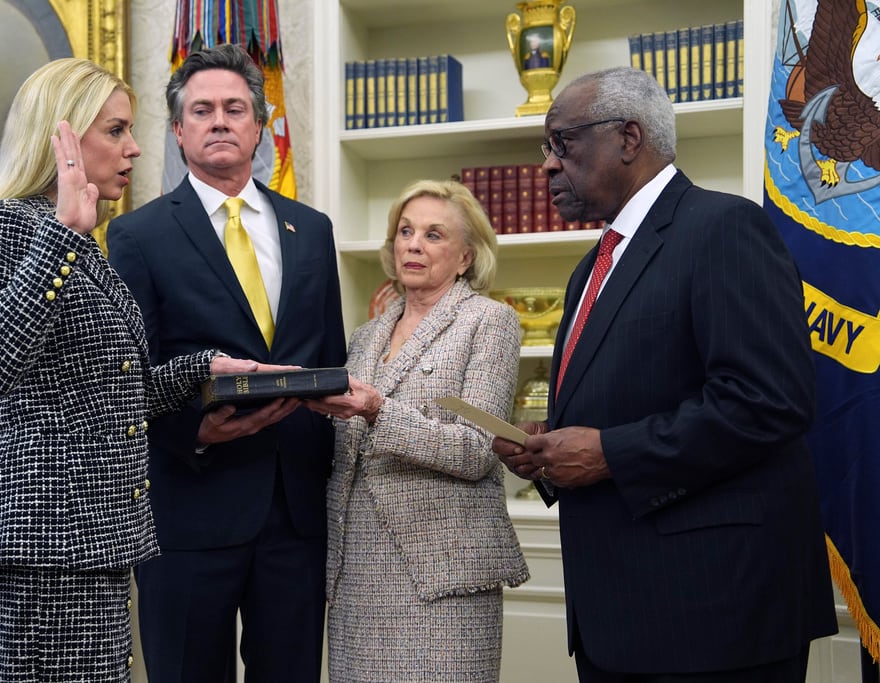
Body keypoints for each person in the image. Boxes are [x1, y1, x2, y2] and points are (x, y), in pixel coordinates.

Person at [493, 66, 838, 682]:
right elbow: (628, 401)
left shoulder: (722, 227)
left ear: (628, 138)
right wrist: (551, 445)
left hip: (715, 614)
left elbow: (770, 400)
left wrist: (609, 454)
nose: (546, 165)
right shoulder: (589, 270)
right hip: (616, 617)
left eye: (561, 142)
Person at [0, 57, 273, 680]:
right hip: (42, 542)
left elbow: (112, 393)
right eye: (117, 131)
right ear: (64, 137)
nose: (134, 149)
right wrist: (62, 236)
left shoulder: (86, 244)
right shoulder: (7, 225)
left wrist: (202, 366)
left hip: (101, 540)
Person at [106, 43, 346, 682]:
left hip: (294, 511)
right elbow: (126, 377)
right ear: (179, 130)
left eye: (235, 109)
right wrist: (193, 431)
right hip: (189, 503)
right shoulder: (137, 235)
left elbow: (328, 355)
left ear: (259, 127)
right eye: (203, 110)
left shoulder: (312, 229)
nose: (220, 121)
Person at [304, 178, 529, 681]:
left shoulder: (490, 322)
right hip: (356, 569)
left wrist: (380, 410)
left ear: (466, 257)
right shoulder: (365, 336)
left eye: (433, 234)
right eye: (405, 231)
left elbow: (477, 450)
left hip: (441, 572)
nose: (413, 244)